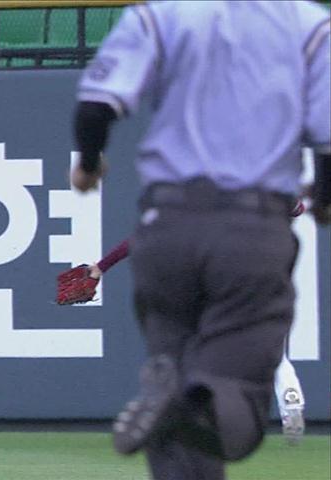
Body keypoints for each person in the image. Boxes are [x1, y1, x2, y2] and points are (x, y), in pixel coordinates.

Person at [69, 2, 329, 479]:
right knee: (233, 400)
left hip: (167, 229)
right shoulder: (309, 24)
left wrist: (88, 163)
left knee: (177, 399)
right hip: (251, 232)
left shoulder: (163, 14)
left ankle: (172, 394)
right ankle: (185, 402)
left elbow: (95, 106)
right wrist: (327, 197)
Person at [69, 202, 307, 446]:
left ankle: (204, 415)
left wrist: (101, 266)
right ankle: (291, 402)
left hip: (222, 284)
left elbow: (144, 238)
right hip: (265, 278)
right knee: (273, 352)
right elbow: (298, 208)